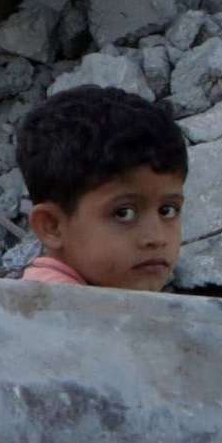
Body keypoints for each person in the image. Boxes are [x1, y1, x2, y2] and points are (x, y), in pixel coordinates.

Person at [15, 85, 190, 292]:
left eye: (168, 210)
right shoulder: (60, 313)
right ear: (52, 226)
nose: (156, 238)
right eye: (124, 213)